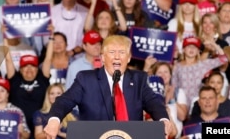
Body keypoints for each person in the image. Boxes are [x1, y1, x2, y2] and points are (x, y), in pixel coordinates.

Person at [43, 35, 172, 138]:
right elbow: (65, 101)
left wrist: (164, 119)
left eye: (122, 52)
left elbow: (153, 103)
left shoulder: (139, 79)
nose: (117, 56)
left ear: (128, 58)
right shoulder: (86, 79)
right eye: (112, 52)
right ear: (103, 58)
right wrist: (54, 119)